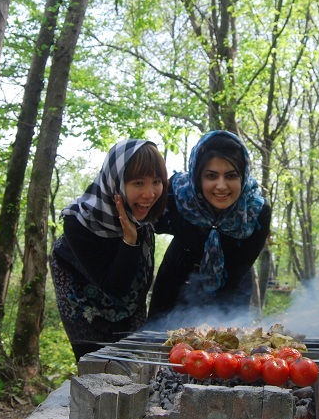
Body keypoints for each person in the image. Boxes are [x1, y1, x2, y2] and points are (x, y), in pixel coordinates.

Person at [50, 139, 168, 361]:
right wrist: (130, 239)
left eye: (156, 181)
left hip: (131, 309)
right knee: (98, 373)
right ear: (115, 182)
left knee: (136, 367)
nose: (150, 193)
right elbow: (115, 287)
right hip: (86, 311)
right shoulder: (80, 221)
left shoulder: (144, 213)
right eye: (138, 183)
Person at [147, 130, 272, 322]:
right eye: (211, 176)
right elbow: (149, 222)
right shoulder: (178, 194)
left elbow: (237, 274)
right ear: (198, 177)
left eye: (231, 176)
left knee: (224, 348)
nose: (221, 186)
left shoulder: (256, 212)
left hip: (232, 288)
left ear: (243, 176)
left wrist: (216, 324)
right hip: (174, 284)